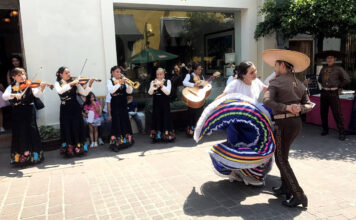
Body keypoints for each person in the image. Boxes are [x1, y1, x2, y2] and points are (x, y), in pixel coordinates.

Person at [263, 49, 314, 208]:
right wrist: (298, 108)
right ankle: (285, 187)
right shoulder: (299, 83)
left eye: (276, 65)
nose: (274, 68)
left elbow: (266, 101)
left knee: (281, 159)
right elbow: (309, 104)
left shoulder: (275, 82)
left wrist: (285, 107)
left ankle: (298, 194)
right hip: (295, 124)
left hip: (282, 124)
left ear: (283, 65)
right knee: (283, 155)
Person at [207, 61, 271, 186]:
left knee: (254, 148)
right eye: (251, 72)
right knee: (238, 149)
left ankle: (250, 175)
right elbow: (223, 96)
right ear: (242, 74)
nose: (255, 74)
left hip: (253, 121)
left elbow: (267, 89)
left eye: (255, 70)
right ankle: (235, 173)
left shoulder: (256, 82)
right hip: (238, 123)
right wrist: (210, 108)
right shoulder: (235, 84)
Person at [2, 68, 48, 165]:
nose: (22, 76)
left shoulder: (30, 85)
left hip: (28, 111)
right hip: (17, 112)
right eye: (19, 75)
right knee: (19, 132)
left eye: (23, 74)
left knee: (31, 131)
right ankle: (21, 157)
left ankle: (34, 156)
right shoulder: (11, 87)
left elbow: (37, 95)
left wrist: (42, 88)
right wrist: (14, 95)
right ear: (13, 77)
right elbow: (4, 96)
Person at [55, 66, 95, 157]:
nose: (69, 74)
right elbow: (60, 91)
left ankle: (78, 149)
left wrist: (90, 84)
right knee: (67, 128)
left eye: (69, 72)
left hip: (75, 108)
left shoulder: (75, 83)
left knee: (77, 127)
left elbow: (84, 93)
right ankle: (69, 150)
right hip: (65, 109)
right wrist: (72, 83)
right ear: (61, 74)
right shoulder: (58, 83)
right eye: (66, 73)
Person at [318, 51, 350, 140]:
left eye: (331, 58)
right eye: (328, 58)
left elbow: (346, 79)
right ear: (326, 59)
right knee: (323, 112)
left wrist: (338, 86)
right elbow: (320, 79)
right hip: (324, 92)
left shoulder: (339, 69)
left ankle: (342, 132)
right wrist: (326, 85)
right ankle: (325, 129)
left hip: (333, 93)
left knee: (337, 113)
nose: (329, 59)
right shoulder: (323, 69)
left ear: (335, 59)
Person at [107, 66, 134, 152]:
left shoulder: (123, 80)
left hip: (123, 104)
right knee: (116, 122)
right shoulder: (110, 81)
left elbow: (129, 92)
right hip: (115, 105)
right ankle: (116, 143)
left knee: (124, 121)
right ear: (112, 73)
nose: (119, 73)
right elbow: (111, 90)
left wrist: (129, 84)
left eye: (120, 72)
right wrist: (120, 83)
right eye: (117, 72)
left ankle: (125, 142)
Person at [148, 68, 175, 142]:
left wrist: (161, 86)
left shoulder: (168, 81)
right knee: (157, 118)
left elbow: (168, 92)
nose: (159, 76)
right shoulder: (153, 82)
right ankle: (157, 136)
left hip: (165, 102)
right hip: (156, 102)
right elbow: (150, 93)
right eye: (157, 74)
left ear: (163, 74)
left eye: (160, 74)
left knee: (165, 117)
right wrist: (154, 86)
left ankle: (166, 136)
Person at [183, 63, 205, 137]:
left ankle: (199, 131)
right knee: (191, 114)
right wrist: (193, 85)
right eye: (199, 69)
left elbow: (204, 85)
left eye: (200, 69)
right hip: (192, 97)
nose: (200, 70)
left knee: (199, 113)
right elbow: (184, 82)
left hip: (199, 97)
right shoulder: (189, 75)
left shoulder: (201, 76)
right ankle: (191, 131)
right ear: (194, 70)